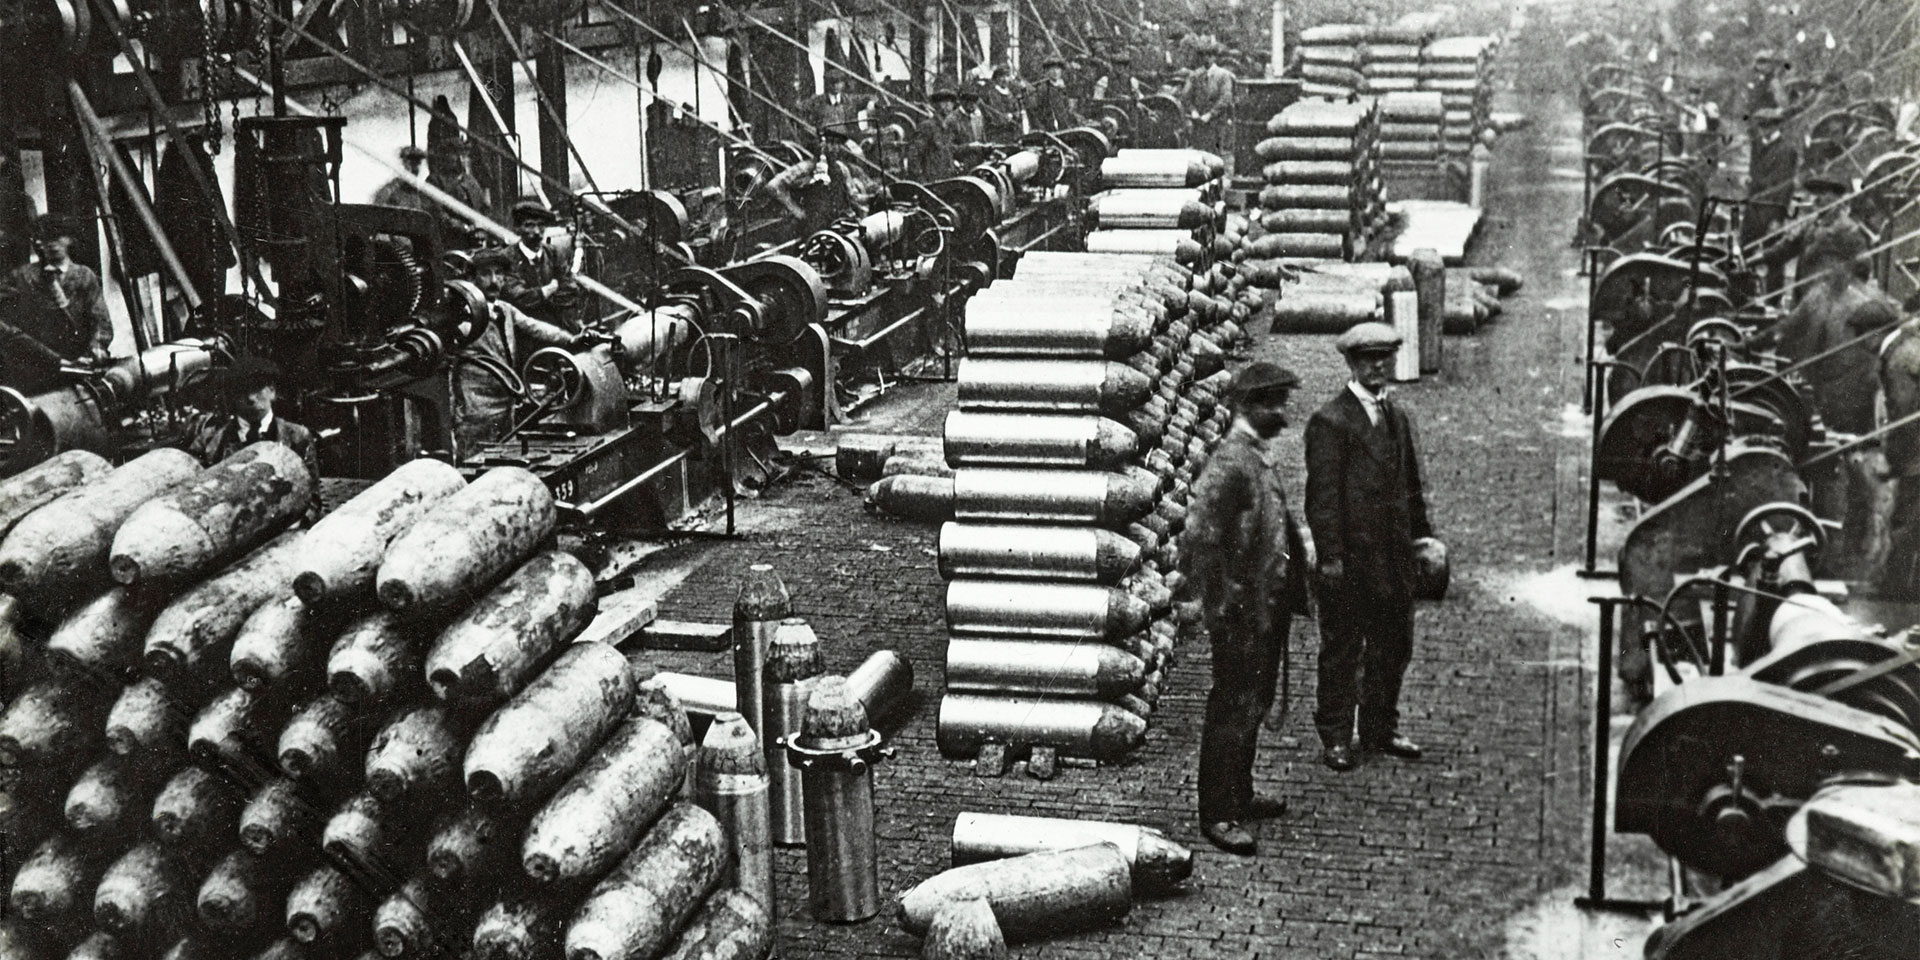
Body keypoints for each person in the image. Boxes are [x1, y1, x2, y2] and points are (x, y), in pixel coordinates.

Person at [1181, 361, 1310, 855]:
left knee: (1250, 705)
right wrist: (1226, 602)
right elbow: (1199, 540)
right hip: (1240, 616)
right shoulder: (1231, 462)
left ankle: (1241, 791)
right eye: (1273, 403)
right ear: (1248, 407)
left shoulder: (1254, 456)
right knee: (1231, 708)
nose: (1282, 412)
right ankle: (1218, 812)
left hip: (1262, 609)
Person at [1305, 322, 1434, 771]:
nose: (1377, 367)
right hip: (1353, 563)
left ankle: (1380, 728)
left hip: (1394, 559)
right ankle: (1337, 735)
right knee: (1342, 650)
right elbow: (1321, 501)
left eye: (1384, 359)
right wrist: (1332, 558)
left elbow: (1411, 487)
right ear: (1352, 364)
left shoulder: (1395, 416)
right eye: (1368, 360)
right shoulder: (1330, 421)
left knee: (1392, 645)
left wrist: (1422, 538)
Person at [456, 247, 584, 454]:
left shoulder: (505, 309)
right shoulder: (462, 315)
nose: (494, 281)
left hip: (506, 404)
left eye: (499, 274)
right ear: (472, 279)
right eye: (486, 274)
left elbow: (535, 327)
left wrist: (573, 340)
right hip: (475, 410)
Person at [179, 355, 321, 512]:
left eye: (257, 388)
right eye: (242, 391)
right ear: (232, 398)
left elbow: (312, 497)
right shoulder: (209, 440)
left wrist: (296, 531)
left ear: (272, 391)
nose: (251, 398)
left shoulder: (297, 437)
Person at [0, 215, 113, 393]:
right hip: (38, 367)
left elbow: (100, 319)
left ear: (70, 240)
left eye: (57, 237)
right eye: (45, 238)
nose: (51, 244)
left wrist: (96, 349)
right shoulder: (22, 276)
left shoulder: (84, 276)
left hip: (79, 363)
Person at [1759, 175, 1873, 299]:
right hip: (1804, 301)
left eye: (1822, 193)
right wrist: (1751, 260)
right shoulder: (1810, 224)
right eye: (1814, 193)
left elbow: (1863, 267)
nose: (1816, 198)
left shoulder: (1847, 228)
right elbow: (1784, 249)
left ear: (1836, 197)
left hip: (1830, 304)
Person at [766, 128, 879, 235]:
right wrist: (797, 211)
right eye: (829, 143)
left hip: (841, 224)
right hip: (817, 228)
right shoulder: (807, 168)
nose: (833, 148)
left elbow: (853, 197)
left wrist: (872, 198)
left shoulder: (841, 169)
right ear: (821, 145)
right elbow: (773, 186)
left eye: (837, 143)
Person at [1879, 313, 1920, 599]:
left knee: (1909, 518)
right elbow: (1902, 407)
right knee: (1908, 517)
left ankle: (1901, 585)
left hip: (1911, 447)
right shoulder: (1909, 351)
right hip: (1913, 449)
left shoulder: (1902, 344)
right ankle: (1897, 587)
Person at [503, 201, 581, 333]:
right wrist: (548, 290)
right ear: (517, 228)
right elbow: (518, 298)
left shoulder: (553, 253)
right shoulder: (507, 258)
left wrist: (537, 297)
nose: (537, 232)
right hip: (523, 331)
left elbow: (571, 290)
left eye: (541, 225)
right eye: (530, 226)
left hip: (558, 326)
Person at [1180, 45, 1237, 174]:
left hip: (1216, 122)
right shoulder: (1195, 75)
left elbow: (1225, 98)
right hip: (1199, 123)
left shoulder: (1223, 75)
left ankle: (1216, 185)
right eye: (1202, 55)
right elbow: (1185, 96)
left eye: (1208, 55)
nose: (1205, 59)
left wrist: (1210, 114)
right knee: (1199, 156)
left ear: (1214, 57)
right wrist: (1193, 111)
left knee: (1215, 156)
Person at [911, 87, 965, 181]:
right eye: (943, 102)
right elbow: (914, 154)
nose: (947, 106)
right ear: (936, 105)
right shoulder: (927, 126)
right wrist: (920, 178)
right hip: (931, 179)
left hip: (947, 177)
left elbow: (951, 150)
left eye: (950, 102)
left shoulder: (949, 128)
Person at [801, 72, 869, 137]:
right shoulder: (817, 101)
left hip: (848, 140)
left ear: (843, 84)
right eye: (831, 83)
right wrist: (810, 128)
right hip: (826, 141)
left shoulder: (850, 100)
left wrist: (870, 103)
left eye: (838, 82)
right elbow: (800, 109)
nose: (835, 86)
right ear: (826, 84)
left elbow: (871, 98)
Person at [372, 146, 433, 213]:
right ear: (403, 163)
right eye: (411, 162)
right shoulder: (389, 191)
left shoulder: (422, 194)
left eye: (417, 162)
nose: (414, 167)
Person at [1026, 57, 1074, 131]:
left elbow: (1067, 110)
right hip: (1049, 127)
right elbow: (1036, 112)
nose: (1055, 72)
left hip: (1064, 126)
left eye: (1058, 69)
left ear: (1061, 71)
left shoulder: (1062, 88)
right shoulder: (1043, 89)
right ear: (1047, 71)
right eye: (1052, 69)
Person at [980, 65, 1026, 141]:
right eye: (1001, 76)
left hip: (1012, 133)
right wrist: (1002, 118)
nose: (1005, 79)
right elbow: (989, 114)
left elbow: (1017, 111)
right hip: (997, 133)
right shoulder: (991, 93)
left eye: (1007, 76)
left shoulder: (1011, 94)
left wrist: (1012, 115)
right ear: (996, 78)